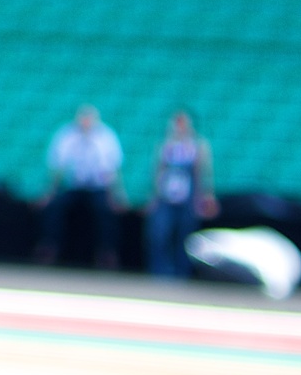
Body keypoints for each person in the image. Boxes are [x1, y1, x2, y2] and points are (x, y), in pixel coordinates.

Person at [34, 105, 123, 270]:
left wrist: (115, 195)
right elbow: (58, 169)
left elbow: (111, 171)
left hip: (98, 187)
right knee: (54, 207)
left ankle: (107, 252)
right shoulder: (66, 135)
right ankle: (49, 247)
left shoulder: (106, 137)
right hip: (72, 186)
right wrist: (50, 193)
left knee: (106, 212)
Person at [143, 110, 216, 280]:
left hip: (188, 199)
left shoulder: (198, 146)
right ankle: (160, 271)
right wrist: (153, 197)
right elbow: (157, 172)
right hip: (166, 197)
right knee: (160, 233)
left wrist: (206, 196)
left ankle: (182, 273)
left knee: (186, 236)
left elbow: (203, 174)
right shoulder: (165, 145)